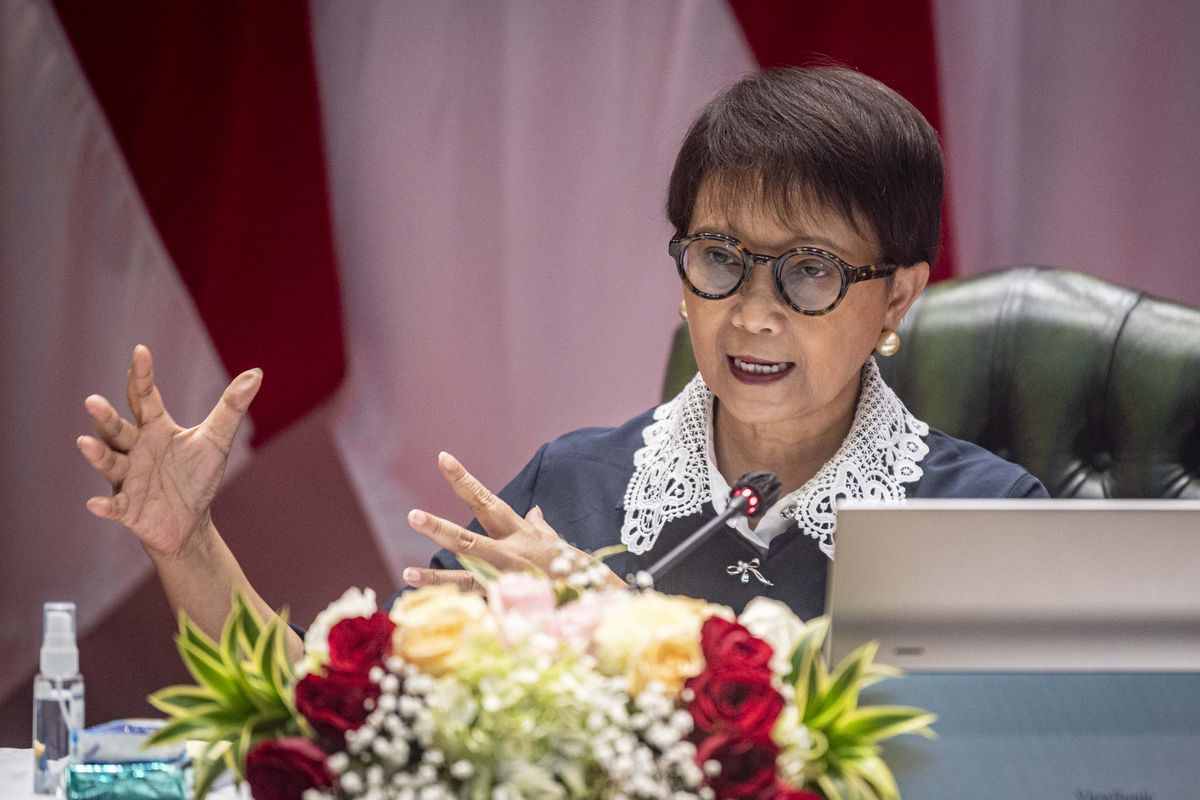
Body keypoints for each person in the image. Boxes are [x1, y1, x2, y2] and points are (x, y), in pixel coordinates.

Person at [77, 67, 1045, 662]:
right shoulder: (574, 488)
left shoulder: (988, 524)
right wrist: (189, 544)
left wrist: (611, 621)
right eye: (719, 258)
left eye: (808, 271)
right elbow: (346, 729)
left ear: (901, 295)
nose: (753, 311)